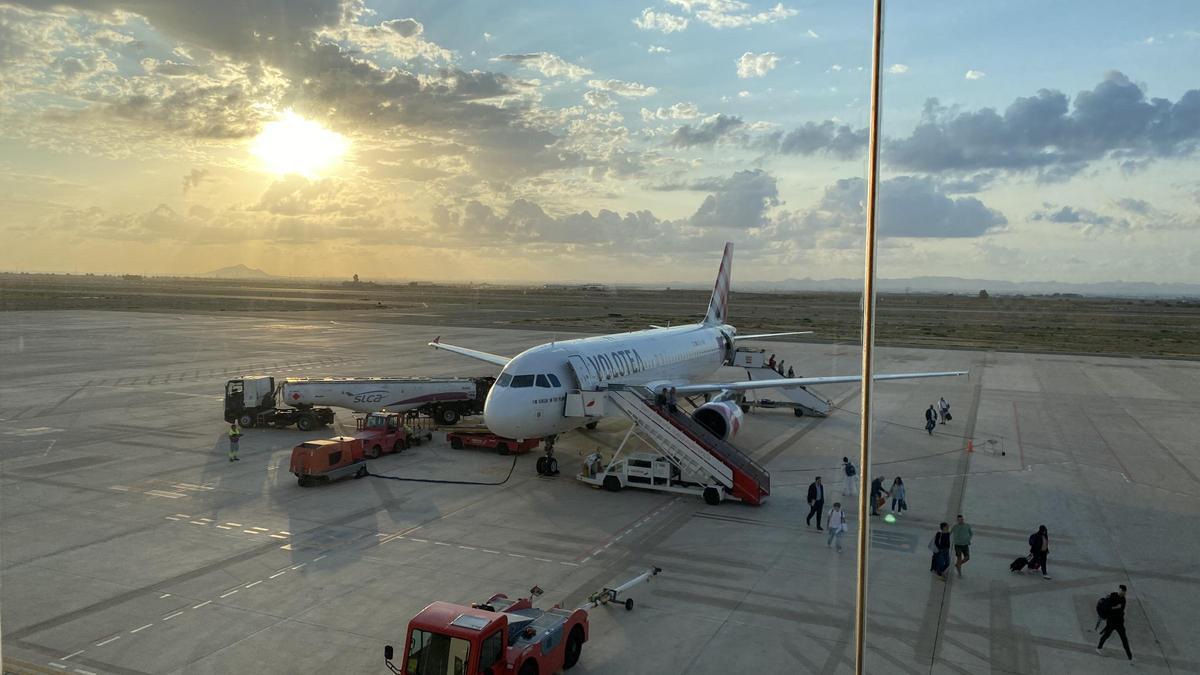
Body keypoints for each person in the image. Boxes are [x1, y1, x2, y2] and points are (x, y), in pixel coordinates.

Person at [1096, 584, 1133, 661]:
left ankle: (1130, 657)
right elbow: (1107, 608)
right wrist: (1115, 607)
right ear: (1118, 590)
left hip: (1119, 623)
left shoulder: (1123, 600)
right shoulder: (1112, 597)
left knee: (1124, 639)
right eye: (1121, 590)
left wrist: (1115, 608)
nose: (1122, 592)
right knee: (1106, 635)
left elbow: (1121, 610)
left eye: (1123, 591)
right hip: (1111, 622)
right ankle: (1099, 648)